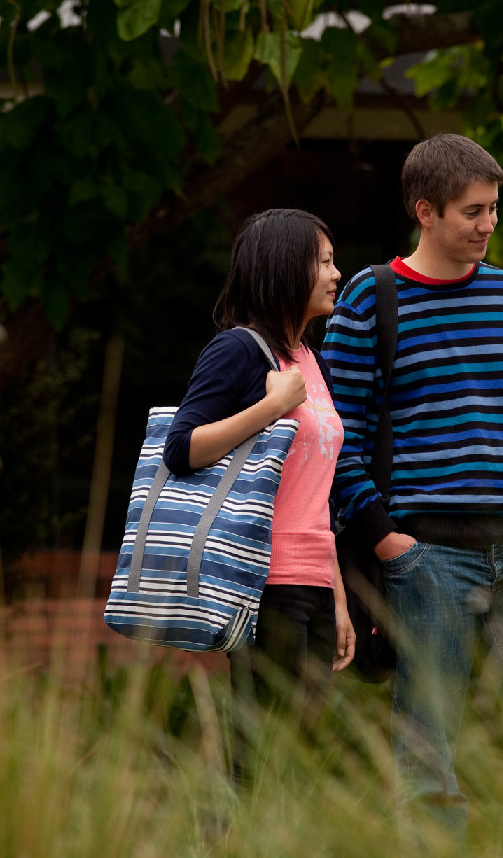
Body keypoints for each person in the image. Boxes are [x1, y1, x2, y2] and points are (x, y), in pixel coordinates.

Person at [323, 134, 503, 825]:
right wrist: (388, 540)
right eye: (473, 211)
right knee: (428, 740)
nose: (488, 225)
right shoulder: (369, 297)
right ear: (427, 210)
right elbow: (337, 436)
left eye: (493, 208)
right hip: (427, 554)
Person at [163, 209, 355, 784]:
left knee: (299, 753)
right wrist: (271, 406)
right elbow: (182, 447)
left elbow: (313, 495)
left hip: (313, 584)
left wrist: (337, 596)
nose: (336, 274)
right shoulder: (239, 351)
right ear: (283, 268)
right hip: (264, 584)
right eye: (322, 262)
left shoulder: (308, 360)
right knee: (261, 753)